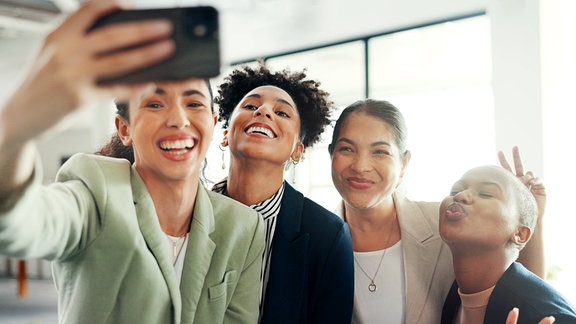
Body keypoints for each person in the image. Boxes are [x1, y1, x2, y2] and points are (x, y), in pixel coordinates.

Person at [0, 1, 264, 323]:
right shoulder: (94, 190)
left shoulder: (242, 226)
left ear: (211, 121)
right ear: (124, 128)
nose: (179, 119)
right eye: (155, 104)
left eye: (193, 103)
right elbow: (18, 223)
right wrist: (15, 129)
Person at [328, 99, 546, 324]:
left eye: (380, 152)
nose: (361, 166)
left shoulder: (449, 222)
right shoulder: (316, 240)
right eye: (346, 149)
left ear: (403, 164)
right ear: (331, 154)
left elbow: (520, 293)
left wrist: (524, 212)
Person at [213, 62, 354, 323]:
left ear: (297, 150)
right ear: (225, 135)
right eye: (251, 106)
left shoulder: (327, 235)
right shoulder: (185, 212)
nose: (264, 112)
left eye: (282, 112)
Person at [439, 165, 576, 323]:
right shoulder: (450, 296)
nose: (461, 196)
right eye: (454, 191)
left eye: (485, 194)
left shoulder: (552, 317)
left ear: (520, 234)